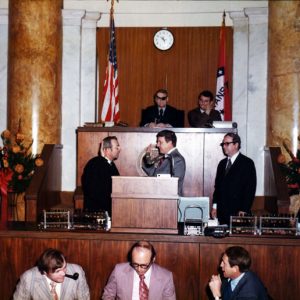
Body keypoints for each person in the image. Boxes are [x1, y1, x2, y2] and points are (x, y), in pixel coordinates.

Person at [102, 240, 176, 300]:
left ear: (153, 259)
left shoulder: (166, 277)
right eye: (135, 264)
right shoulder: (119, 271)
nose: (139, 269)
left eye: (144, 265)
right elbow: (107, 295)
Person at [211, 133, 256, 225]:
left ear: (236, 145)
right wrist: (215, 207)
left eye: (227, 144)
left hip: (238, 213)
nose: (224, 146)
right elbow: (217, 188)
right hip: (221, 213)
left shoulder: (247, 163)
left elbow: (250, 189)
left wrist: (244, 209)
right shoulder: (222, 164)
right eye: (223, 144)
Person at [13, 248, 90, 300]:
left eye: (65, 267)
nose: (63, 273)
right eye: (58, 271)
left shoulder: (77, 271)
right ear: (44, 272)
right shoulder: (28, 278)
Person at [81, 136, 120, 215]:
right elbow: (95, 192)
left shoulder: (109, 164)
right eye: (117, 147)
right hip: (98, 214)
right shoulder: (95, 164)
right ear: (107, 150)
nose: (119, 149)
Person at [142, 129, 186, 195]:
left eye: (160, 142)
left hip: (169, 199)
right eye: (157, 142)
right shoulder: (163, 156)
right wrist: (147, 154)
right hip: (161, 197)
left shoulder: (177, 159)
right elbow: (152, 173)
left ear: (170, 143)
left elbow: (174, 184)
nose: (157, 145)